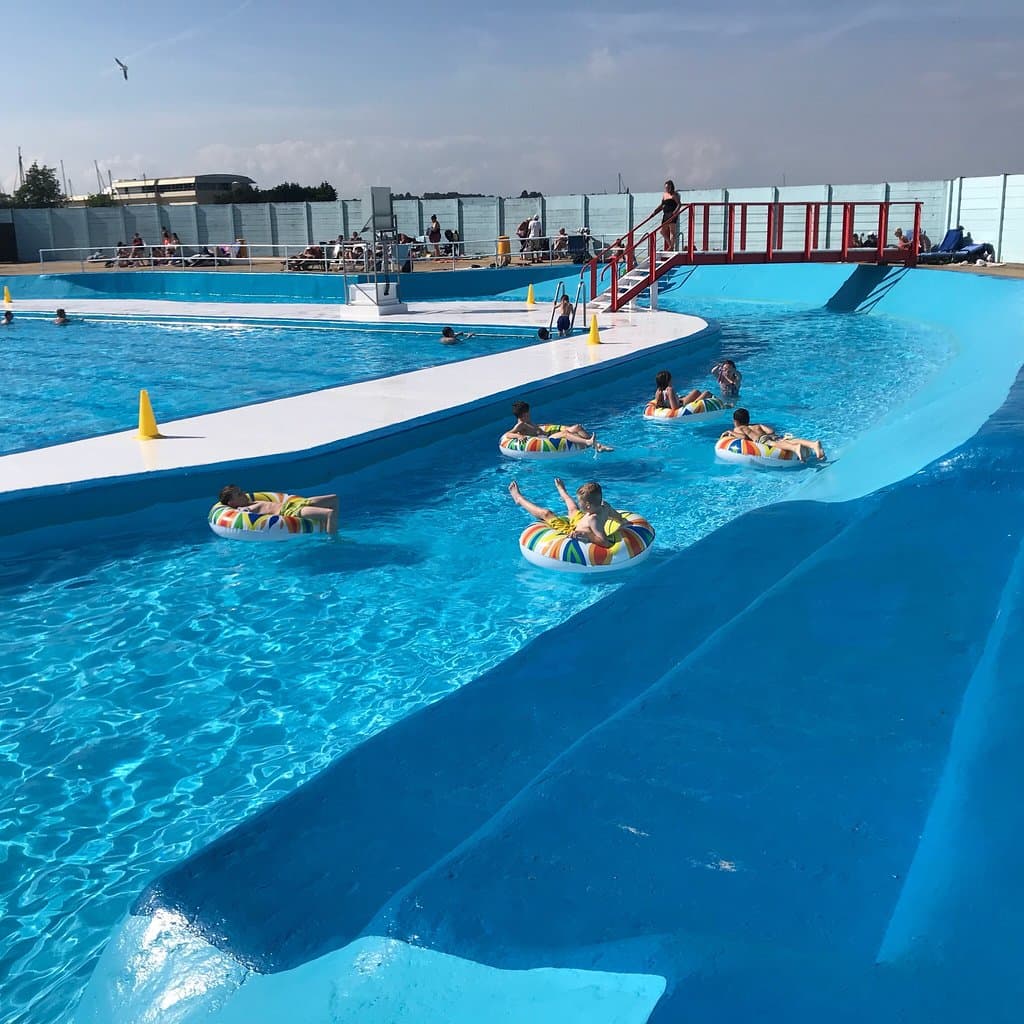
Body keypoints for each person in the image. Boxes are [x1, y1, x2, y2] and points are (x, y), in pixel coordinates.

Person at [508, 478, 623, 547]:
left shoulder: (593, 519)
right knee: (573, 509)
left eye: (580, 502)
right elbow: (616, 515)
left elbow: (604, 542)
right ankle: (562, 490)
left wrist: (587, 535)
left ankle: (519, 499)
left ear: (587, 506)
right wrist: (623, 522)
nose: (579, 503)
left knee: (547, 513)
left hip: (573, 530)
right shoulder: (604, 505)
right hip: (582, 519)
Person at [218, 484, 339, 534]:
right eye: (239, 494)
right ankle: (333, 540)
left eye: (241, 491)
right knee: (329, 513)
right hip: (289, 511)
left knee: (334, 498)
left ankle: (330, 527)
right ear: (232, 502)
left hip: (297, 503)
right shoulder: (245, 508)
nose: (244, 493)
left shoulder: (251, 500)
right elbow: (243, 514)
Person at [720, 408, 825, 462]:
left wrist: (730, 432)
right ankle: (813, 444)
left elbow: (743, 437)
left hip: (763, 440)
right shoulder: (757, 425)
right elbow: (770, 431)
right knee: (786, 441)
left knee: (774, 445)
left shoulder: (739, 428)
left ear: (735, 421)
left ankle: (795, 448)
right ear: (748, 419)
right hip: (771, 436)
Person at [505, 399, 614, 451]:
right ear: (524, 414)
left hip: (547, 435)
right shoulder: (521, 425)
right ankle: (588, 442)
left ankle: (598, 445)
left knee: (577, 427)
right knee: (565, 434)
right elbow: (508, 434)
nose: (530, 414)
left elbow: (536, 429)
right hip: (545, 440)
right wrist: (519, 436)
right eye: (528, 412)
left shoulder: (528, 422)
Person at [654, 179, 682, 251]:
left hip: (672, 213)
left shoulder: (674, 195)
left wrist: (674, 213)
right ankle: (670, 245)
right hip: (666, 214)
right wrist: (655, 211)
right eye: (666, 187)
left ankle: (671, 247)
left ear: (671, 187)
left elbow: (679, 204)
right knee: (662, 231)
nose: (667, 189)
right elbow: (662, 205)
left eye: (668, 187)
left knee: (672, 231)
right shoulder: (664, 195)